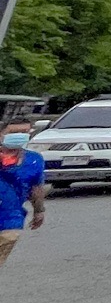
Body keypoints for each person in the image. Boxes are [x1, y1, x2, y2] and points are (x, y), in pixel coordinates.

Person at [0, 116, 49, 270]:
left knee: (9, 237)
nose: (19, 136)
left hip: (10, 216)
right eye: (14, 132)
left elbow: (36, 187)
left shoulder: (34, 160)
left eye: (24, 132)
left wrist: (39, 211)